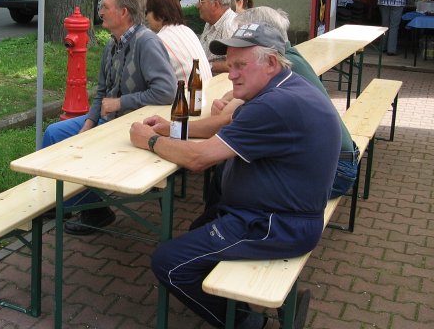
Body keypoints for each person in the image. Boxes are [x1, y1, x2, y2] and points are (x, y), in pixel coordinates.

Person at [129, 23, 341, 329]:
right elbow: (222, 126)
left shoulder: (274, 105)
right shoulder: (283, 86)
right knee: (199, 226)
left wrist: (149, 141)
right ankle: (250, 309)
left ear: (270, 63)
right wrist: (168, 128)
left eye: (240, 66)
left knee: (169, 262)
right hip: (276, 211)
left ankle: (252, 324)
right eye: (230, 65)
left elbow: (199, 159)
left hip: (276, 224)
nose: (231, 75)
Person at [43, 0, 177, 235]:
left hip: (133, 126)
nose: (100, 11)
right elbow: (102, 93)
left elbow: (166, 91)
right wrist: (89, 123)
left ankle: (94, 210)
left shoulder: (146, 42)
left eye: (105, 6)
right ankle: (61, 201)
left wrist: (122, 103)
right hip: (109, 122)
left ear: (124, 12)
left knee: (83, 147)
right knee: (54, 133)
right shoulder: (111, 44)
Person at [212, 6, 359, 201]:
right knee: (235, 161)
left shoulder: (282, 65)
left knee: (231, 167)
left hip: (338, 170)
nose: (237, 43)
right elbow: (237, 101)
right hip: (340, 157)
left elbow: (227, 119)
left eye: (243, 37)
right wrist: (229, 97)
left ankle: (225, 223)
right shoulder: (288, 57)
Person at [145, 0, 212, 83]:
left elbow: (150, 79)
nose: (146, 17)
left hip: (186, 93)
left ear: (160, 15)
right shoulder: (187, 31)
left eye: (147, 12)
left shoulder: (159, 40)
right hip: (207, 89)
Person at [197, 0, 239, 75]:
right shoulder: (210, 21)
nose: (198, 6)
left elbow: (236, 64)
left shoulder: (229, 25)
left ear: (215, 5)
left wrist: (207, 66)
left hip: (219, 86)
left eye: (201, 1)